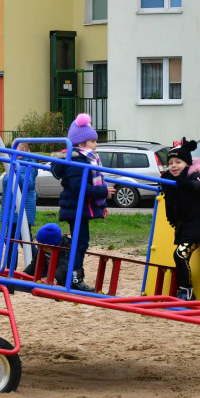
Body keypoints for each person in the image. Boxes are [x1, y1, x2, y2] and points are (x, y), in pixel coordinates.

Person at [51, 113, 115, 292]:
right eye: (93, 141)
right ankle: (74, 277)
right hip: (75, 208)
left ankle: (73, 275)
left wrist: (101, 204)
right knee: (80, 242)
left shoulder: (85, 160)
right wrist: (103, 192)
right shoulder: (77, 161)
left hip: (81, 207)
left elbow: (93, 183)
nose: (96, 145)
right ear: (81, 144)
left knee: (81, 241)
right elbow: (80, 187)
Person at [160, 139, 200, 301]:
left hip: (198, 228)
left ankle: (187, 292)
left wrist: (188, 184)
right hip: (185, 228)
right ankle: (183, 290)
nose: (174, 166)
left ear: (187, 163)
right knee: (182, 258)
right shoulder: (170, 179)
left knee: (180, 255)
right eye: (170, 163)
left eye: (178, 162)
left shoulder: (195, 175)